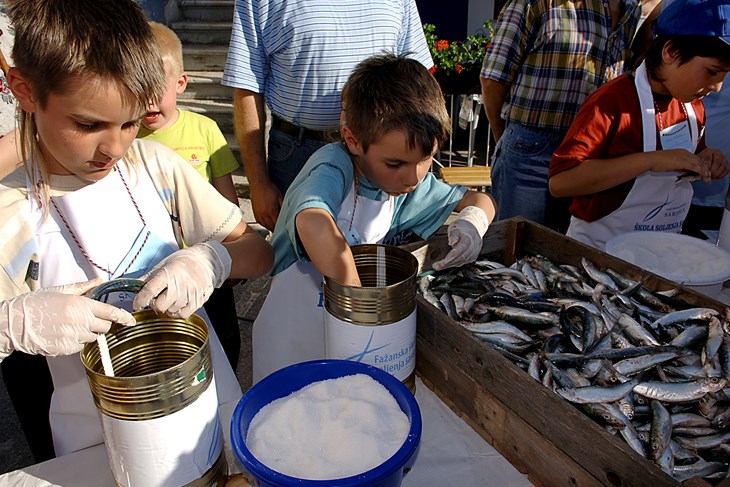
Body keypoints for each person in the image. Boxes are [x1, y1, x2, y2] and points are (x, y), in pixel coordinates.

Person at [0, 0, 273, 475]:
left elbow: (258, 252)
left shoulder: (157, 169)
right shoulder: (15, 209)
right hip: (101, 443)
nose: (113, 147)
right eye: (87, 125)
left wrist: (213, 261)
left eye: (130, 122)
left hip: (203, 406)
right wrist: (12, 324)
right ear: (25, 90)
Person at [252, 53, 496, 382]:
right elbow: (313, 223)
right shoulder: (332, 165)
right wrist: (361, 305)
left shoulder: (402, 185)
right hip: (293, 338)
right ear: (353, 139)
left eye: (426, 159)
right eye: (395, 164)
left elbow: (480, 199)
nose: (412, 177)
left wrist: (472, 222)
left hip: (346, 342)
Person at [222, 0, 433, 231]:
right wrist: (258, 182)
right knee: (299, 255)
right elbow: (247, 86)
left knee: (375, 253)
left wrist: (417, 154)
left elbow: (416, 74)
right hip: (298, 153)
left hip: (382, 153)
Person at [548, 0, 730, 251]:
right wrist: (650, 161)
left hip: (660, 252)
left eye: (724, 76)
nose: (716, 87)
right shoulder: (611, 103)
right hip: (599, 255)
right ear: (671, 52)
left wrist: (704, 158)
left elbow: (683, 158)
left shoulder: (692, 107)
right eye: (712, 72)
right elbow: (561, 182)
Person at [480, 0, 641, 231]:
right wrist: (505, 139)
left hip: (592, 153)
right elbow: (493, 78)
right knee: (516, 247)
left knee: (570, 251)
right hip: (533, 148)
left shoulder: (630, 8)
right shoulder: (537, 3)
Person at [137, 21, 243, 369]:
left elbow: (227, 201)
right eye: (138, 88)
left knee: (225, 340)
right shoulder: (125, 140)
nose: (148, 99)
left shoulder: (205, 129)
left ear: (180, 82)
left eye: (157, 87)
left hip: (204, 261)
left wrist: (228, 252)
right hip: (153, 267)